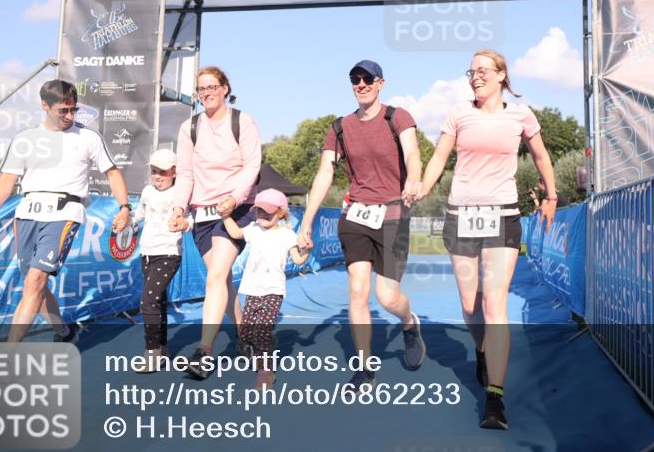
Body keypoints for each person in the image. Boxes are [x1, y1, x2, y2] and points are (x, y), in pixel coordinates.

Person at [417, 49, 558, 430]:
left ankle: (495, 399)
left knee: (495, 304)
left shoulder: (521, 115)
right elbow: (438, 159)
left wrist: (551, 196)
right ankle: (481, 347)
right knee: (470, 304)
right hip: (461, 215)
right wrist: (420, 188)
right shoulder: (458, 114)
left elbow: (542, 157)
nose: (475, 77)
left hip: (501, 215)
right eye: (471, 72)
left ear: (501, 76)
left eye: (482, 71)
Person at [298, 59, 426, 391]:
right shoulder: (339, 127)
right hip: (355, 215)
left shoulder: (397, 117)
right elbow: (325, 174)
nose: (361, 84)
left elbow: (413, 153)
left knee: (387, 297)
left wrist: (414, 178)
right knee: (357, 291)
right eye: (355, 79)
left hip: (393, 214)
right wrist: (306, 223)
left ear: (381, 83)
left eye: (367, 78)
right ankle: (364, 367)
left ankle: (409, 323)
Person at [0, 79, 131, 343]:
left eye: (73, 109)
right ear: (45, 106)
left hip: (65, 212)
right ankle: (64, 330)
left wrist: (125, 207)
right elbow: (7, 180)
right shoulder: (25, 139)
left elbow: (112, 172)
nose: (70, 116)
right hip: (27, 213)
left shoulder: (88, 137)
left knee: (35, 281)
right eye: (63, 110)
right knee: (33, 284)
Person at [171, 66, 262, 379]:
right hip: (202, 212)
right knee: (220, 280)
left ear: (225, 88)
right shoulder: (190, 127)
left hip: (235, 209)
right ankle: (244, 334)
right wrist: (178, 207)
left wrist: (235, 199)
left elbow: (252, 166)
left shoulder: (242, 121)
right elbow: (184, 173)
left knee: (216, 276)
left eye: (212, 86)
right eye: (201, 89)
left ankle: (203, 352)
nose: (206, 93)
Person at [222, 188, 310, 390]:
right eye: (259, 210)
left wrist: (308, 250)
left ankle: (266, 372)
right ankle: (265, 342)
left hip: (273, 290)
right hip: (252, 289)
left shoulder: (287, 235)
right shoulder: (253, 229)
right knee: (247, 332)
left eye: (267, 211)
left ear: (280, 212)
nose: (262, 215)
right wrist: (225, 216)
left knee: (261, 332)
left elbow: (298, 259)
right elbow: (235, 232)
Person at [130, 148, 194, 373]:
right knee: (157, 302)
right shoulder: (147, 191)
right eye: (154, 170)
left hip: (169, 253)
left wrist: (184, 224)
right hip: (146, 252)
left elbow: (191, 220)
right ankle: (163, 349)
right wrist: (127, 221)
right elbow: (139, 214)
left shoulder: (181, 194)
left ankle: (152, 354)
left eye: (163, 172)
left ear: (175, 172)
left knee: (147, 301)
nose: (157, 176)